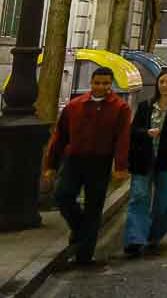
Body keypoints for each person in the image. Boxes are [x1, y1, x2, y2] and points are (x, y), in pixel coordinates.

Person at [43, 66, 132, 266]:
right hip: (74, 160)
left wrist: (120, 166)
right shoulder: (74, 106)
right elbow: (60, 137)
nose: (101, 87)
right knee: (63, 195)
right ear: (91, 83)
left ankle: (84, 254)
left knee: (94, 207)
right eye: (98, 83)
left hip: (100, 162)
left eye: (106, 83)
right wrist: (51, 164)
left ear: (111, 84)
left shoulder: (120, 108)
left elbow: (122, 139)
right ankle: (81, 229)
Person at [123, 69, 167, 257]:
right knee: (139, 197)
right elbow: (133, 130)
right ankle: (135, 239)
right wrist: (146, 133)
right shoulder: (146, 105)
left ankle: (154, 235)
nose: (164, 86)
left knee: (163, 200)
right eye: (162, 82)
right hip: (143, 159)